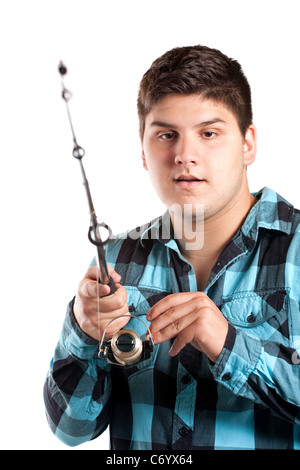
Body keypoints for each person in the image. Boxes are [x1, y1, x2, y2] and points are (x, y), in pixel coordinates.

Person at [44, 45, 300, 450]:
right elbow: (70, 430)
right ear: (144, 151)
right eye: (166, 135)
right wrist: (82, 333)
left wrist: (227, 343)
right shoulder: (118, 259)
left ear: (248, 143)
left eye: (209, 133)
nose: (184, 156)